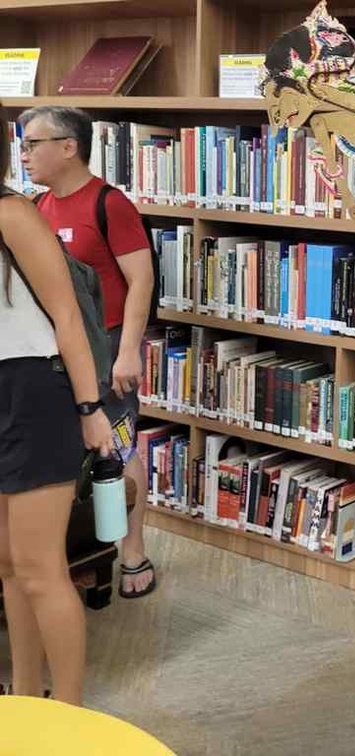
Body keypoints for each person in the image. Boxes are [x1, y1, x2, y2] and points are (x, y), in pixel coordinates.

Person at [18, 106, 156, 599]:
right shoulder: (34, 207)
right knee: (76, 455)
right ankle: (88, 554)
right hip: (60, 352)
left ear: (69, 146)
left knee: (118, 447)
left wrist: (129, 354)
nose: (24, 152)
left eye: (33, 143)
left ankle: (133, 549)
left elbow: (141, 279)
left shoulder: (109, 203)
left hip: (111, 345)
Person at [0, 119, 115, 705]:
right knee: (9, 566)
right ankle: (23, 697)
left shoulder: (13, 214)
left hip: (34, 391)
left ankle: (69, 714)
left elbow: (67, 317)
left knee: (41, 568)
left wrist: (90, 407)